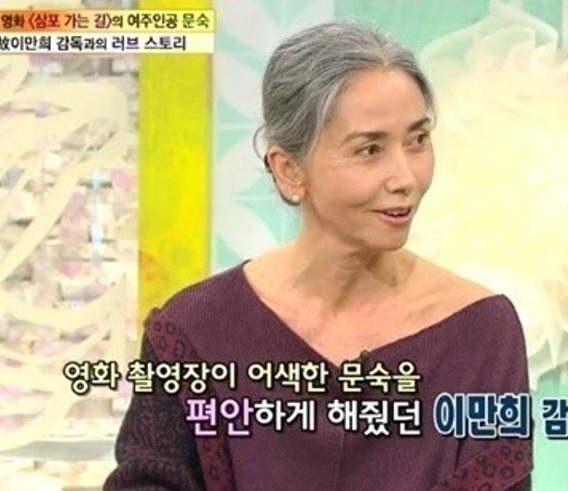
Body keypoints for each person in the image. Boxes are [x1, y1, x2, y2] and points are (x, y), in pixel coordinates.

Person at [104, 20, 532, 491]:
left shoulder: (482, 333)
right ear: (289, 171)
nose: (406, 177)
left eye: (417, 140)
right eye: (370, 149)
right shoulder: (193, 332)